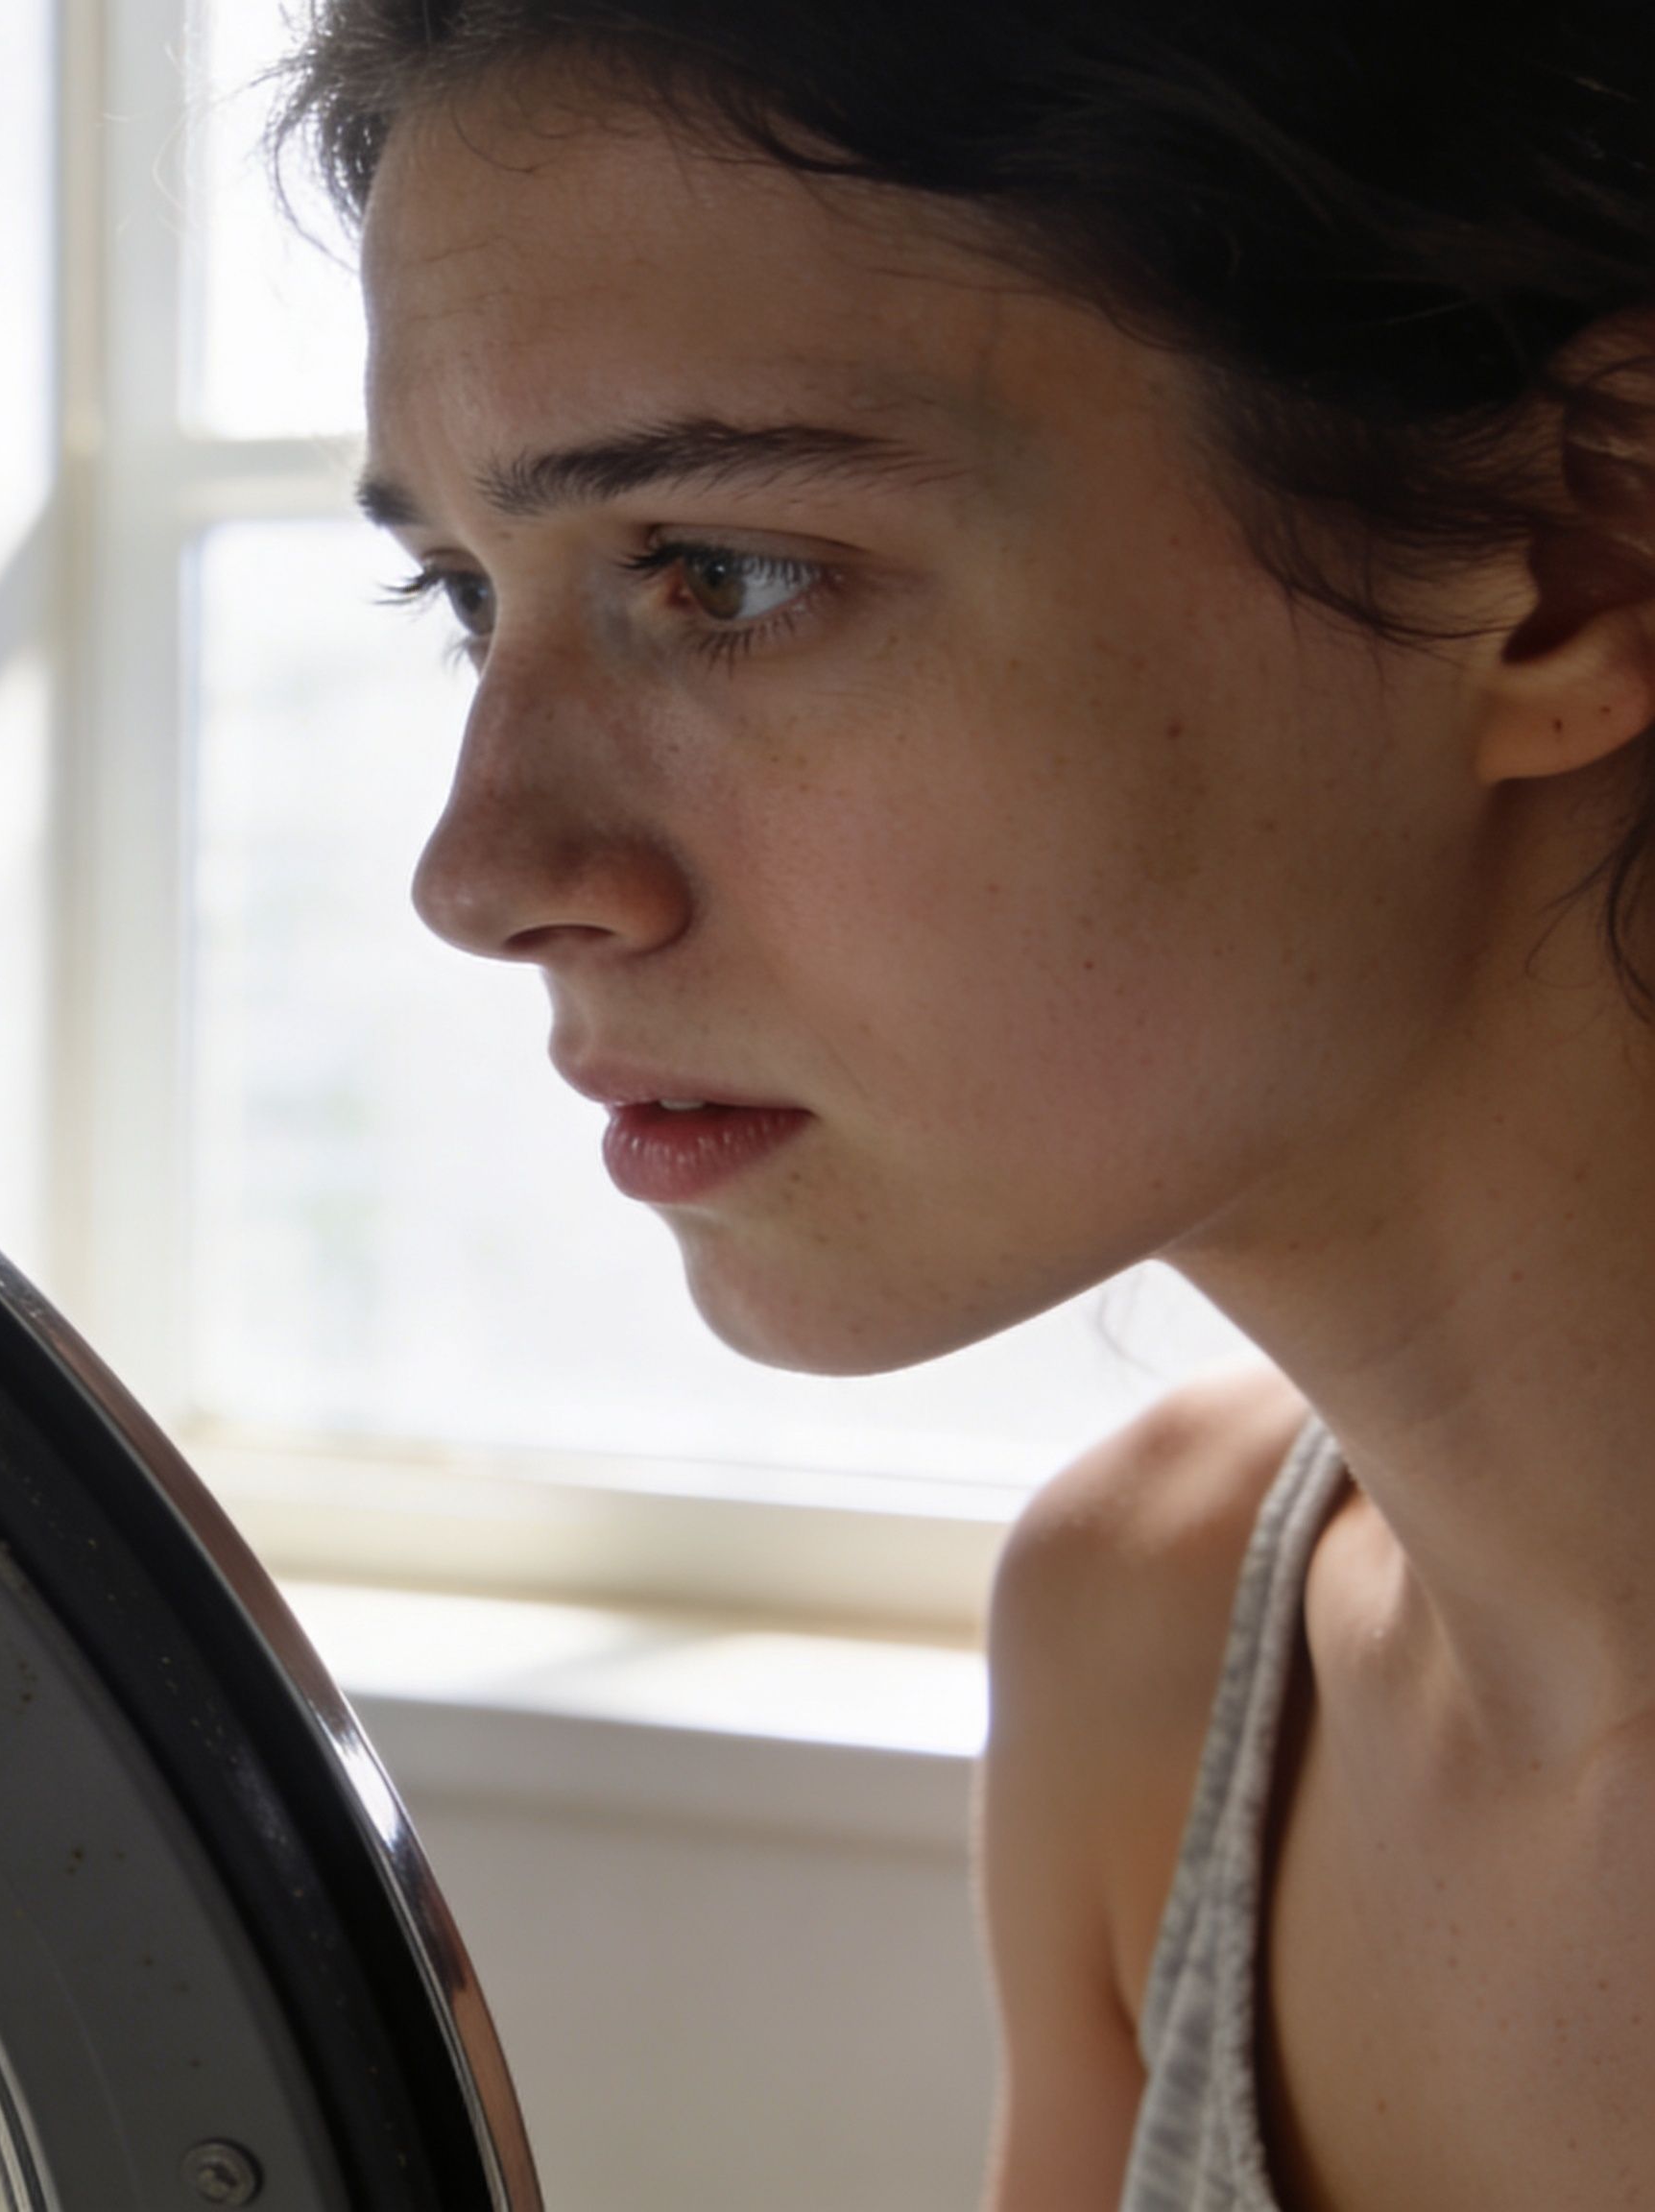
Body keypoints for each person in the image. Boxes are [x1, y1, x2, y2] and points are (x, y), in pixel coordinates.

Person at [278, 2, 1655, 2203]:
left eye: (716, 575)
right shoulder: (1164, 1641)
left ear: (1571, 547)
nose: (480, 876)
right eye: (463, 596)